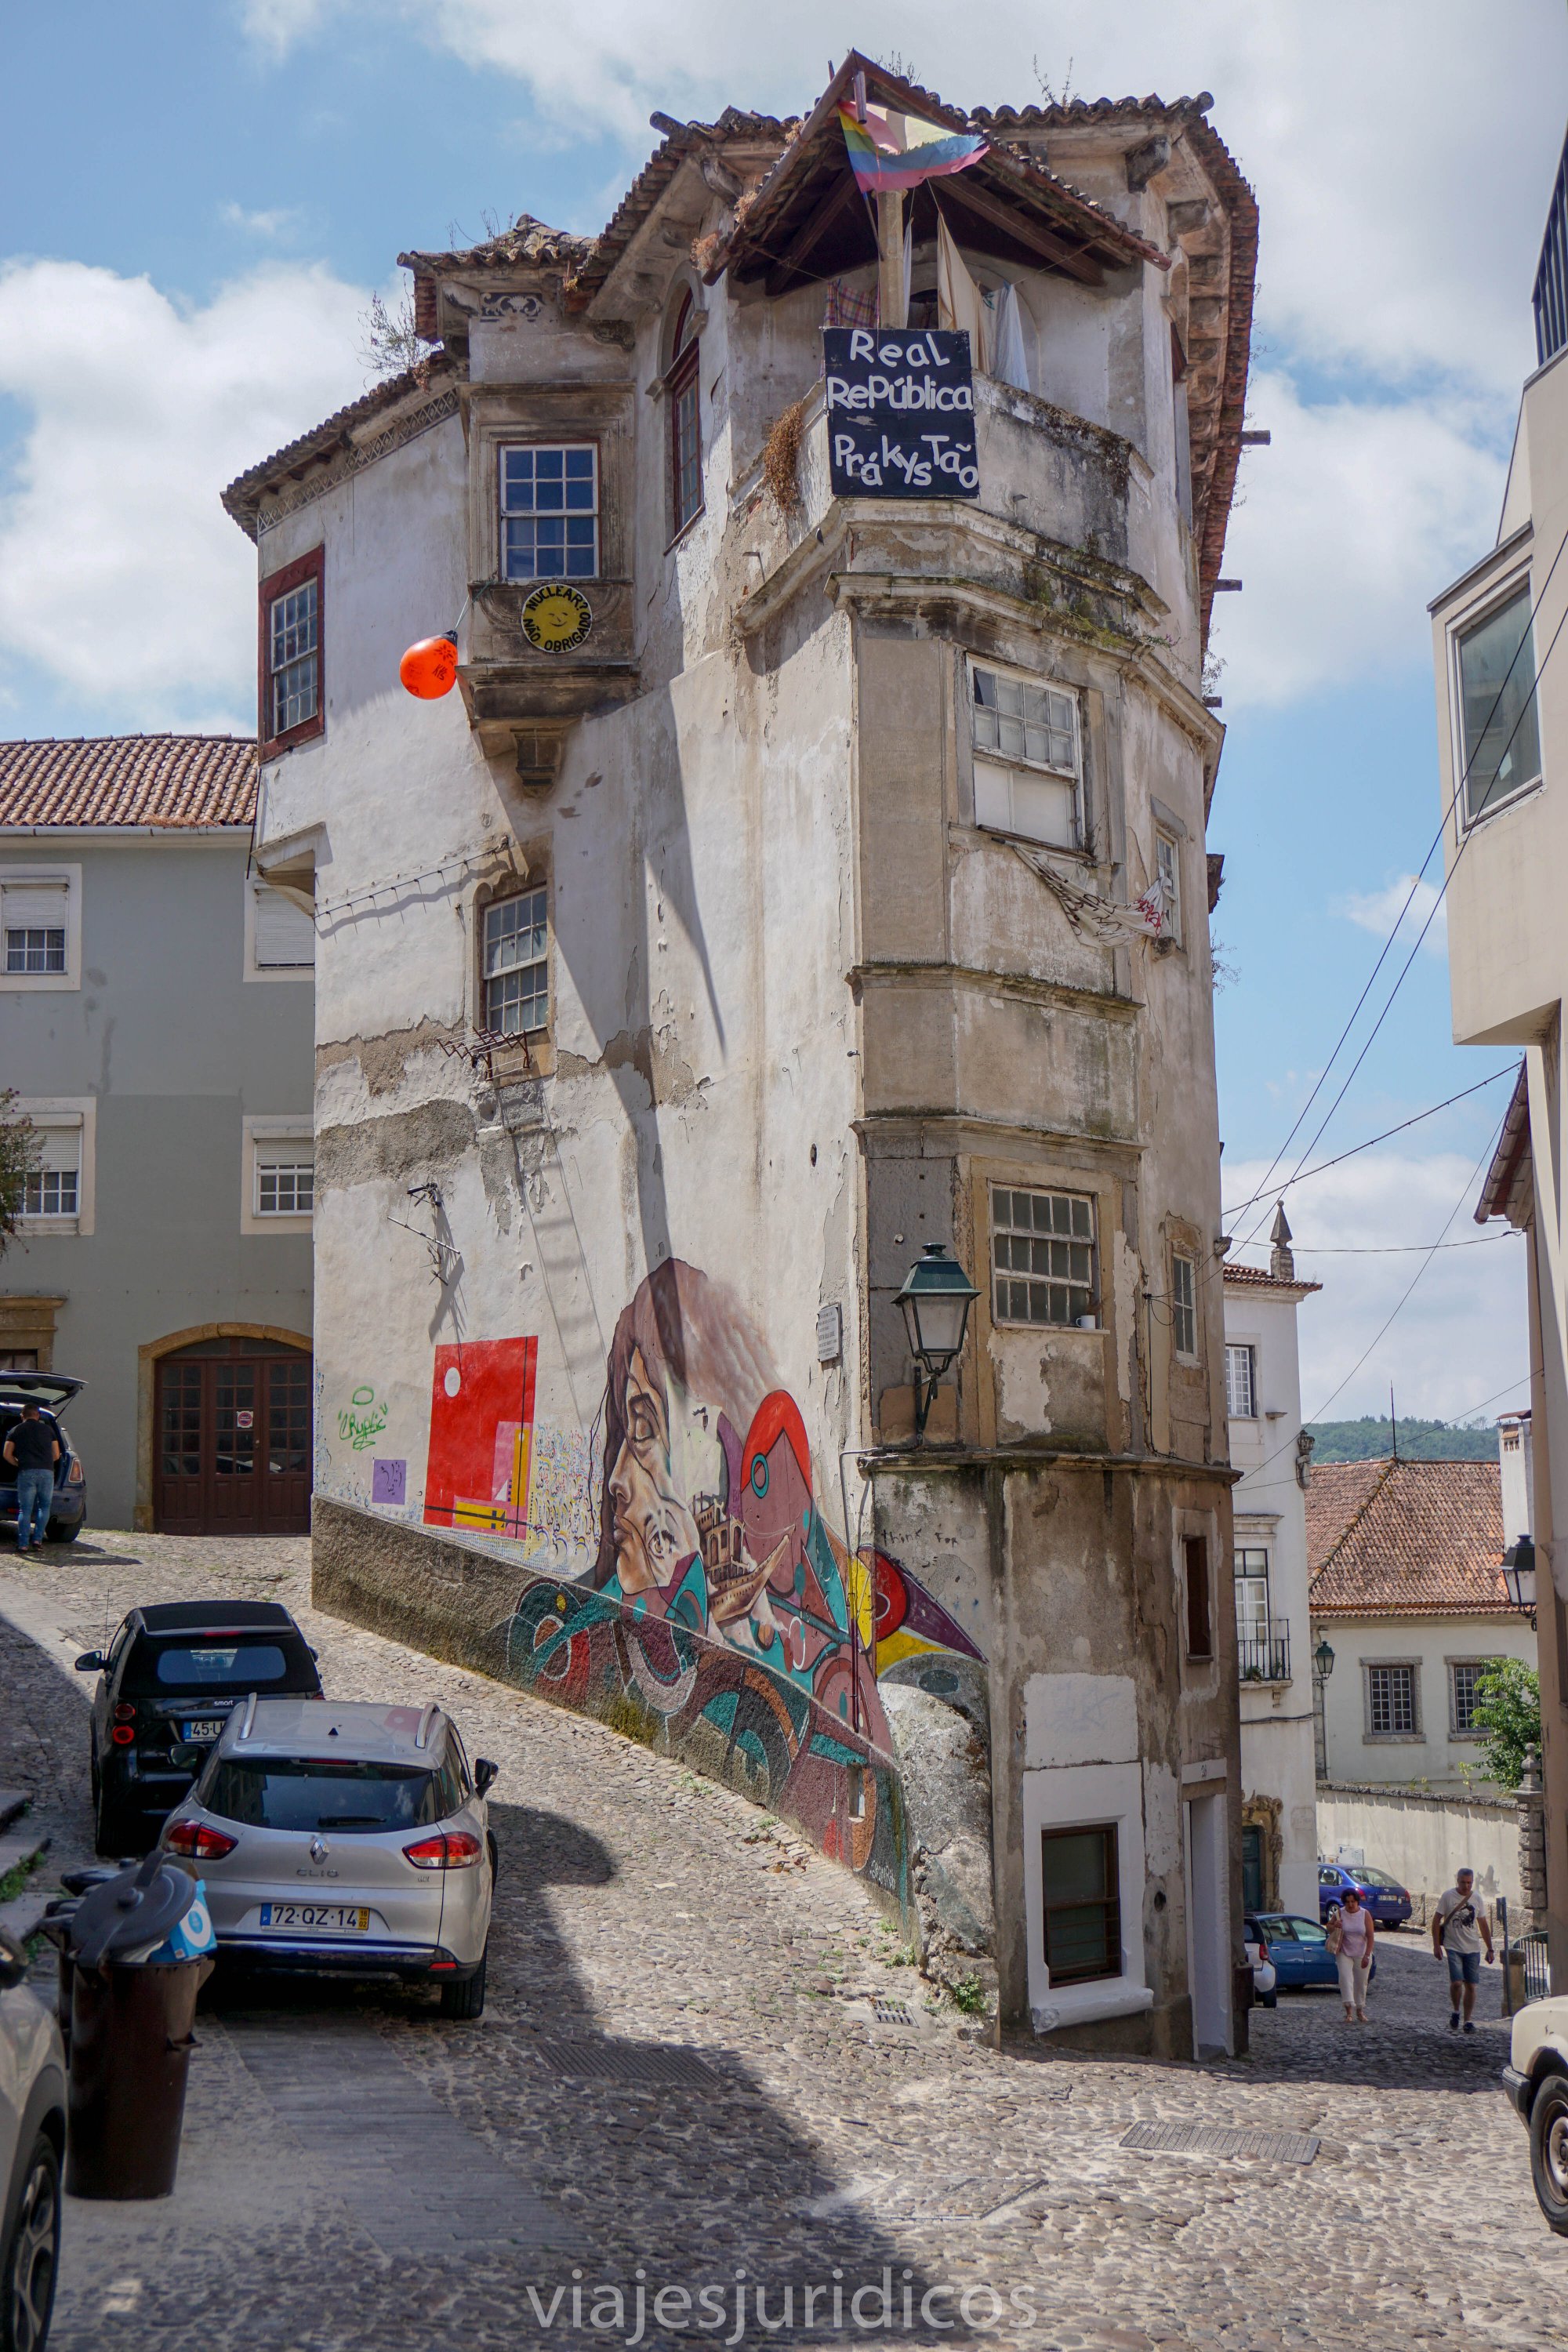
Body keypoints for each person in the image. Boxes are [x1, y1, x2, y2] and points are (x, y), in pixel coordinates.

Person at [1432, 1866, 1494, 2031]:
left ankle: (1467, 2021)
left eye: (1469, 1883)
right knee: (1457, 1983)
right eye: (1463, 1882)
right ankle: (1456, 2011)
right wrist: (1436, 1945)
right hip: (1453, 1946)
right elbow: (1436, 1919)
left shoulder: (1477, 1898)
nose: (1466, 1886)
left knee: (1471, 1986)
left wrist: (1490, 1948)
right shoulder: (1448, 1896)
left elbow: (1483, 1924)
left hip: (1473, 1948)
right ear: (1457, 1881)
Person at [2, 1402, 60, 1554]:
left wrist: (17, 1463)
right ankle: (37, 1541)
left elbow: (6, 1454)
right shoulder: (49, 1430)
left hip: (26, 1471)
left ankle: (23, 1545)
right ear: (38, 1415)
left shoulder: (16, 1430)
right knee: (44, 1507)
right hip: (47, 1472)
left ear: (22, 1416)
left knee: (25, 1509)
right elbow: (56, 1455)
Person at [1327, 1884, 1375, 2020]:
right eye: (1347, 1902)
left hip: (1362, 1952)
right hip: (1344, 1952)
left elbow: (1370, 1936)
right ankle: (1349, 2011)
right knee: (1345, 1979)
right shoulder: (1340, 1913)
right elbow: (1328, 1927)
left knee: (1361, 1982)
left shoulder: (1365, 1914)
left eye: (1353, 1901)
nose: (1351, 1905)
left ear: (1357, 1901)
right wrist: (1334, 1925)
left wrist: (1367, 1955)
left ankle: (1360, 2010)